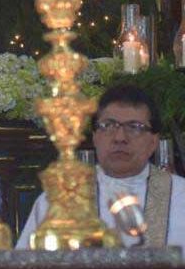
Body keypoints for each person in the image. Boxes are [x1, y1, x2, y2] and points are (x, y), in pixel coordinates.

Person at [17, 84, 185, 249]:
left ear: (153, 142)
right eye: (108, 126)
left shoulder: (180, 195)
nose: (120, 137)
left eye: (134, 127)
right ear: (95, 137)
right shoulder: (59, 201)